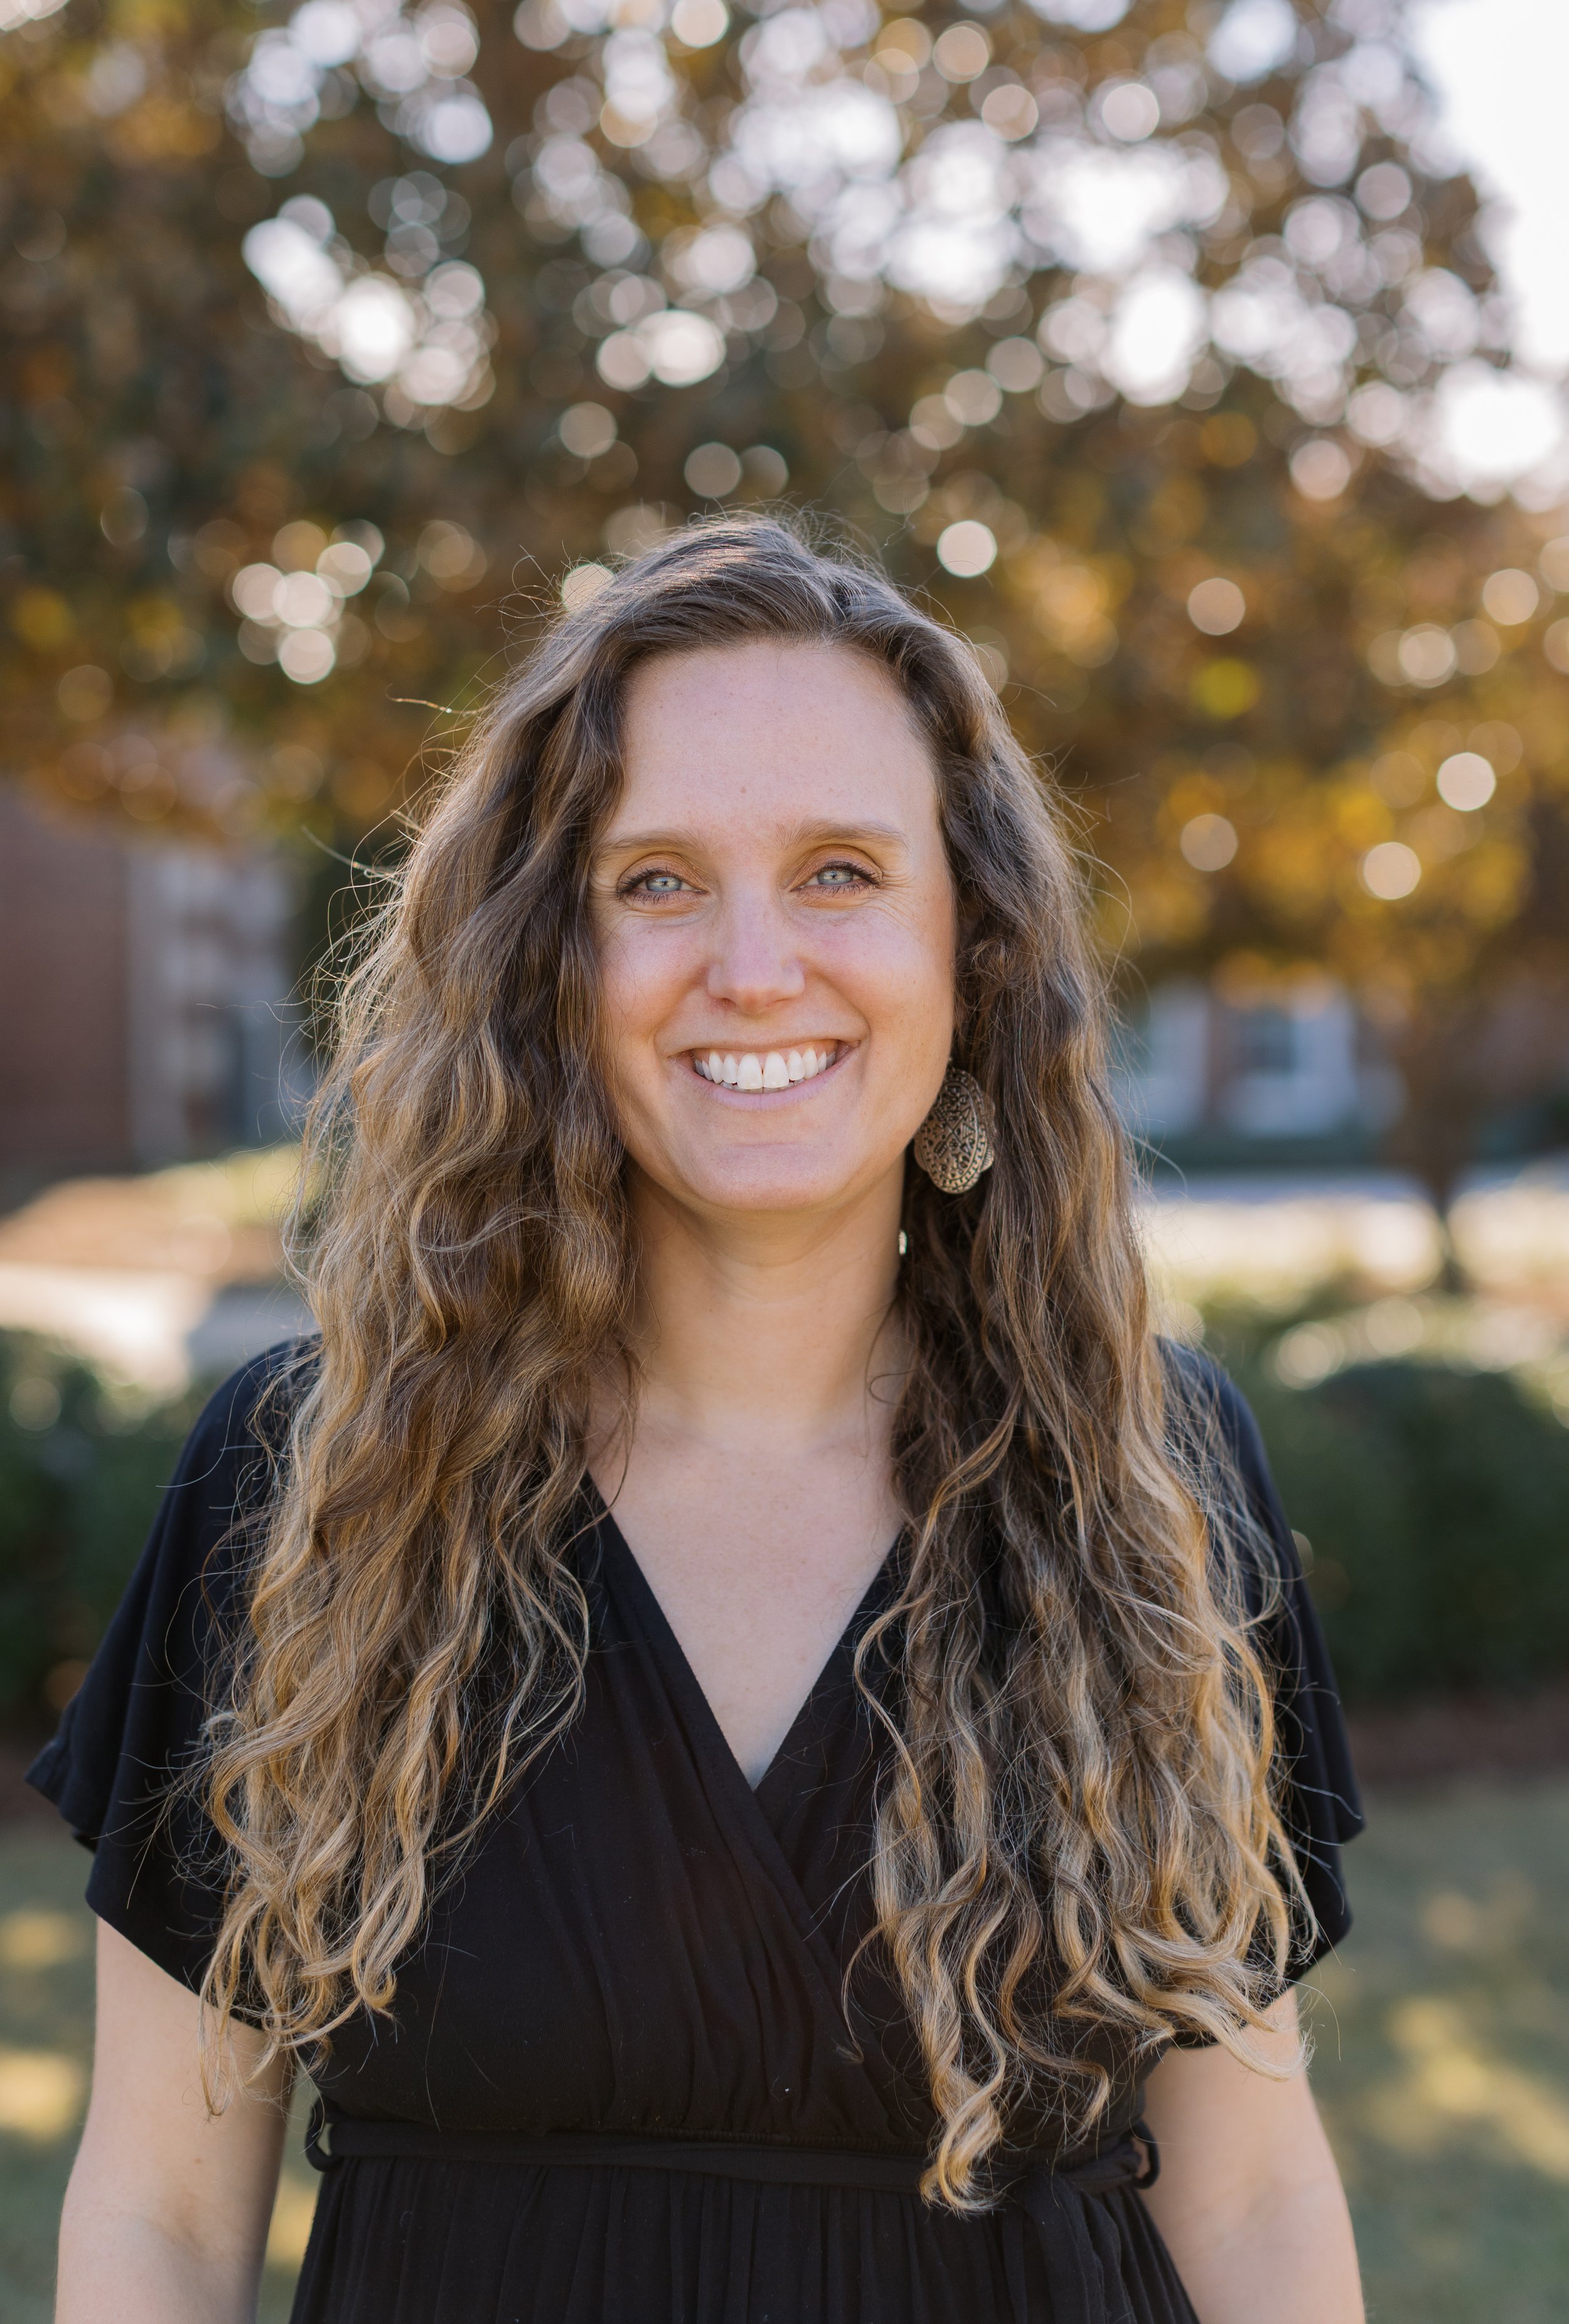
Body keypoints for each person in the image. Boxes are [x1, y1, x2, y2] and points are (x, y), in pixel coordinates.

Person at [33, 518, 1364, 2324]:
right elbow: (163, 2220)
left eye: (837, 871)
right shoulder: (307, 1487)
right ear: (545, 964)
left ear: (968, 947)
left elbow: (1258, 2198)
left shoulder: (1142, 1477)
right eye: (654, 880)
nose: (752, 966)